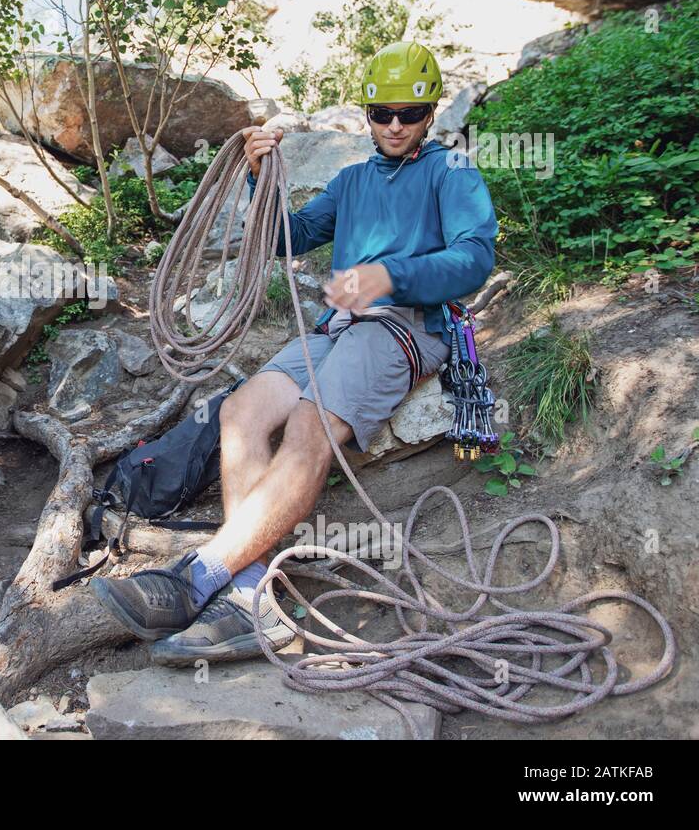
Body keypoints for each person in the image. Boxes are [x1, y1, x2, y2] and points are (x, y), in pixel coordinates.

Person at [91, 41, 499, 666]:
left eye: (410, 113)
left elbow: (474, 257)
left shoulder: (452, 173)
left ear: (432, 113)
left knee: (310, 426)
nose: (394, 125)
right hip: (338, 328)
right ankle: (253, 596)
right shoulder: (353, 180)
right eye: (382, 113)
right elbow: (289, 237)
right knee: (241, 413)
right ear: (367, 113)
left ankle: (199, 578)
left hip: (404, 326)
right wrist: (261, 176)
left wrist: (389, 276)